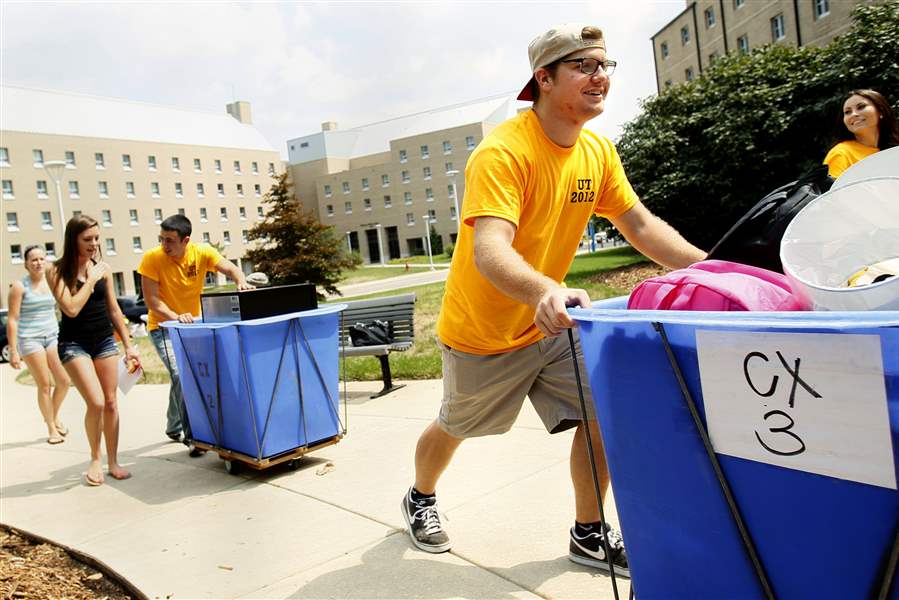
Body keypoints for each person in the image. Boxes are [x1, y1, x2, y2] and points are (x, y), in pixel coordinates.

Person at [400, 23, 707, 577]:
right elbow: (489, 248)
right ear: (543, 78)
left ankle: (588, 533)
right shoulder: (503, 154)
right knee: (456, 425)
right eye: (584, 66)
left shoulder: (596, 152)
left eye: (605, 66)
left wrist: (711, 269)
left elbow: (636, 223)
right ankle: (420, 496)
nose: (601, 77)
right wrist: (547, 287)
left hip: (554, 325)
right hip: (485, 332)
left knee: (606, 409)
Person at [138, 214, 253, 455]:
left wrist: (240, 280)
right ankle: (195, 438)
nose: (164, 245)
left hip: (192, 326)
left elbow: (229, 268)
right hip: (163, 327)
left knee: (184, 377)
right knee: (182, 374)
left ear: (185, 240)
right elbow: (151, 300)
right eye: (162, 239)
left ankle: (173, 424)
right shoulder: (152, 258)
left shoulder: (202, 252)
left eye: (170, 240)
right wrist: (175, 316)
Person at [47, 215, 141, 486]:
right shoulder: (57, 271)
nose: (94, 244)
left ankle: (113, 461)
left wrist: (128, 344)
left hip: (103, 341)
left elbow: (114, 309)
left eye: (97, 238)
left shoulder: (103, 268)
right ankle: (95, 458)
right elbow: (72, 308)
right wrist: (90, 280)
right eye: (87, 239)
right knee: (96, 402)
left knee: (111, 402)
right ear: (73, 240)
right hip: (73, 344)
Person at [6, 245, 71, 444]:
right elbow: (13, 319)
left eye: (42, 259)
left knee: (64, 381)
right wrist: (14, 351)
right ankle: (51, 428)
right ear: (26, 264)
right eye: (33, 260)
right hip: (30, 339)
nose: (38, 263)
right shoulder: (19, 286)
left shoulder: (52, 281)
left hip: (52, 336)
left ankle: (53, 415)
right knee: (44, 384)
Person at [823, 89, 899, 178]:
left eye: (861, 107)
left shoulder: (893, 151)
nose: (854, 114)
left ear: (880, 111)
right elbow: (834, 191)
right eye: (847, 112)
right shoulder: (841, 153)